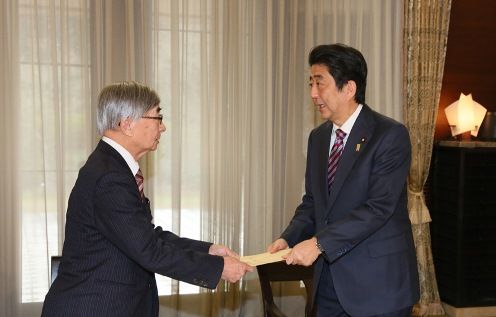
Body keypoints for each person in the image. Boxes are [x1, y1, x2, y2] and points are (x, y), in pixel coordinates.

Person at [42, 81, 253, 317]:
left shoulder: (112, 167)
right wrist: (218, 268)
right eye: (157, 117)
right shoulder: (109, 176)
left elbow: (146, 236)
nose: (162, 128)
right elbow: (149, 250)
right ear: (127, 124)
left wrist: (209, 250)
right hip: (95, 307)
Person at [267, 44, 420, 317]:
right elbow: (313, 202)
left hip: (379, 286)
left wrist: (317, 244)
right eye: (310, 83)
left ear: (349, 88)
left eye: (320, 83)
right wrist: (288, 238)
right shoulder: (318, 138)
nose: (313, 94)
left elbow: (378, 208)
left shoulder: (389, 136)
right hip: (329, 282)